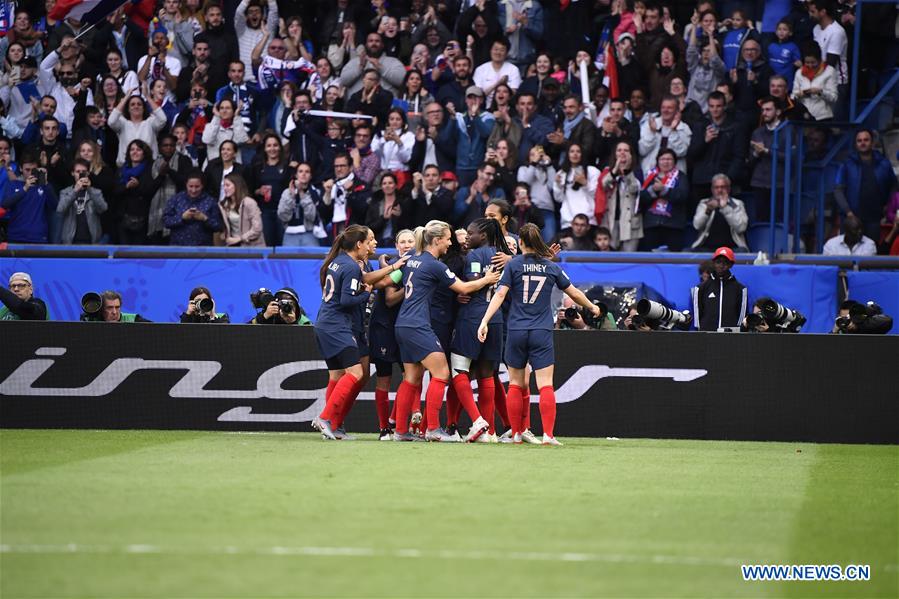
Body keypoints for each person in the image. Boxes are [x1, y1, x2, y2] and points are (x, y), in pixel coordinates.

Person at [478, 223, 601, 445]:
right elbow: (573, 291)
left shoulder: (513, 265)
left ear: (521, 243)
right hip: (541, 330)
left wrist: (485, 321)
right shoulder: (551, 267)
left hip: (516, 329)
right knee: (545, 384)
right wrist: (592, 307)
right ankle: (548, 435)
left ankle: (516, 433)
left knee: (515, 383)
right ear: (539, 241)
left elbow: (499, 295)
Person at [392, 220, 501, 442]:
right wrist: (487, 279)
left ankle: (400, 431)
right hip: (418, 325)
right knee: (442, 373)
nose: (450, 243)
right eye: (447, 239)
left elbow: (391, 279)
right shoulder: (435, 265)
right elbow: (463, 287)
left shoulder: (412, 259)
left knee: (411, 378)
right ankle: (433, 428)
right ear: (437, 240)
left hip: (402, 324)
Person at [312, 225, 405, 440]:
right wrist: (368, 292)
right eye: (370, 240)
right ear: (359, 244)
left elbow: (368, 278)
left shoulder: (338, 261)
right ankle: (327, 419)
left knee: (341, 375)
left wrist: (390, 268)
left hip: (330, 324)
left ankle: (334, 426)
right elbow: (350, 297)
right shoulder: (352, 266)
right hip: (340, 326)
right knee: (355, 373)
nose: (374, 243)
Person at [369, 229, 416, 440]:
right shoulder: (395, 267)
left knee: (410, 377)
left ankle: (398, 422)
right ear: (397, 246)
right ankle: (384, 428)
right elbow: (389, 298)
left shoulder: (415, 265)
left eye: (410, 241)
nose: (407, 245)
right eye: (403, 242)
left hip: (405, 328)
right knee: (384, 379)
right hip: (384, 328)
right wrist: (413, 288)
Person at [833, 130, 897, 244]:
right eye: (859, 141)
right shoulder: (847, 164)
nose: (862, 143)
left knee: (871, 252)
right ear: (856, 144)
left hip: (875, 219)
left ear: (872, 142)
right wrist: (848, 212)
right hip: (852, 218)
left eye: (866, 140)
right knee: (849, 252)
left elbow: (894, 185)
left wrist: (888, 205)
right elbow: (838, 190)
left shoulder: (884, 163)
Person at [1, 154, 57, 243]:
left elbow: (54, 206)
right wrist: (24, 189)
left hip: (38, 237)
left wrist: (46, 183)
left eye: (33, 170)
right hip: (16, 236)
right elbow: (4, 204)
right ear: (20, 169)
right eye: (27, 170)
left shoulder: (44, 187)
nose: (30, 173)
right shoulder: (13, 184)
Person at [599, 141, 643, 251]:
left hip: (630, 223)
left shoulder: (637, 172)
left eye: (626, 150)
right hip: (611, 221)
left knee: (628, 260)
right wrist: (615, 170)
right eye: (619, 150)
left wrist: (627, 172)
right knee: (610, 260)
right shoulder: (608, 171)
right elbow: (604, 185)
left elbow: (634, 188)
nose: (622, 153)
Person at [692, 246, 747, 331]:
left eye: (725, 262)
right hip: (707, 337)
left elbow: (741, 319)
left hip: (730, 339)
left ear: (731, 264)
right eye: (718, 262)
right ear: (713, 263)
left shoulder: (741, 289)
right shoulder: (700, 288)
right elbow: (698, 321)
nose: (721, 266)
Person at [690, 174, 749, 252]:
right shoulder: (704, 203)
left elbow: (741, 228)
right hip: (707, 248)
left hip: (732, 248)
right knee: (686, 252)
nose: (719, 190)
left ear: (728, 189)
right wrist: (708, 210)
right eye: (716, 187)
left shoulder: (737, 204)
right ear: (712, 189)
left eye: (723, 187)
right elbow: (697, 226)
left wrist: (725, 208)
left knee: (742, 252)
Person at [163, 171, 222, 246]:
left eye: (197, 187)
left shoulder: (210, 201)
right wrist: (182, 217)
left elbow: (218, 226)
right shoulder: (176, 199)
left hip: (203, 249)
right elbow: (166, 221)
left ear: (202, 185)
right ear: (186, 185)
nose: (193, 190)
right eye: (190, 186)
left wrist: (204, 218)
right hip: (178, 248)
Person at [57, 159, 108, 244]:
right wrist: (75, 191)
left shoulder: (96, 192)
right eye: (78, 171)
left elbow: (103, 208)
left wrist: (90, 190)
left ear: (88, 173)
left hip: (91, 240)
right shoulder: (65, 192)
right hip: (71, 240)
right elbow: (60, 209)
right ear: (72, 173)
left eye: (83, 172)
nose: (80, 174)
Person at [553, 143, 600, 230]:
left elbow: (597, 195)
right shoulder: (561, 173)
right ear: (567, 154)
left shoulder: (592, 171)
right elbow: (558, 198)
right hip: (568, 221)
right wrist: (558, 185)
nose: (575, 154)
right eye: (572, 151)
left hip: (588, 221)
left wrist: (585, 184)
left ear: (582, 154)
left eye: (578, 151)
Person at [278, 162, 325, 247]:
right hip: (290, 234)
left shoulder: (315, 193)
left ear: (310, 176)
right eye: (300, 171)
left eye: (307, 172)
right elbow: (282, 216)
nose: (303, 174)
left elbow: (312, 216)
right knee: (288, 260)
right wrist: (291, 197)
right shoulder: (287, 192)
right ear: (296, 175)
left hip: (309, 233)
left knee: (313, 260)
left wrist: (301, 194)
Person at [791, 41, 838, 121]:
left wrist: (820, 92)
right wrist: (799, 95)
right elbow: (793, 96)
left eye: (813, 62)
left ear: (819, 60)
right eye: (807, 63)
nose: (810, 65)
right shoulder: (799, 73)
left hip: (823, 117)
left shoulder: (829, 71)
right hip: (804, 116)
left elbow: (834, 98)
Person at [217, 173, 264, 246]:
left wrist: (240, 238)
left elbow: (257, 228)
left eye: (228, 185)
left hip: (251, 246)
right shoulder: (224, 205)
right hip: (232, 244)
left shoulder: (249, 203)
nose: (225, 188)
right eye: (224, 186)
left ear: (237, 186)